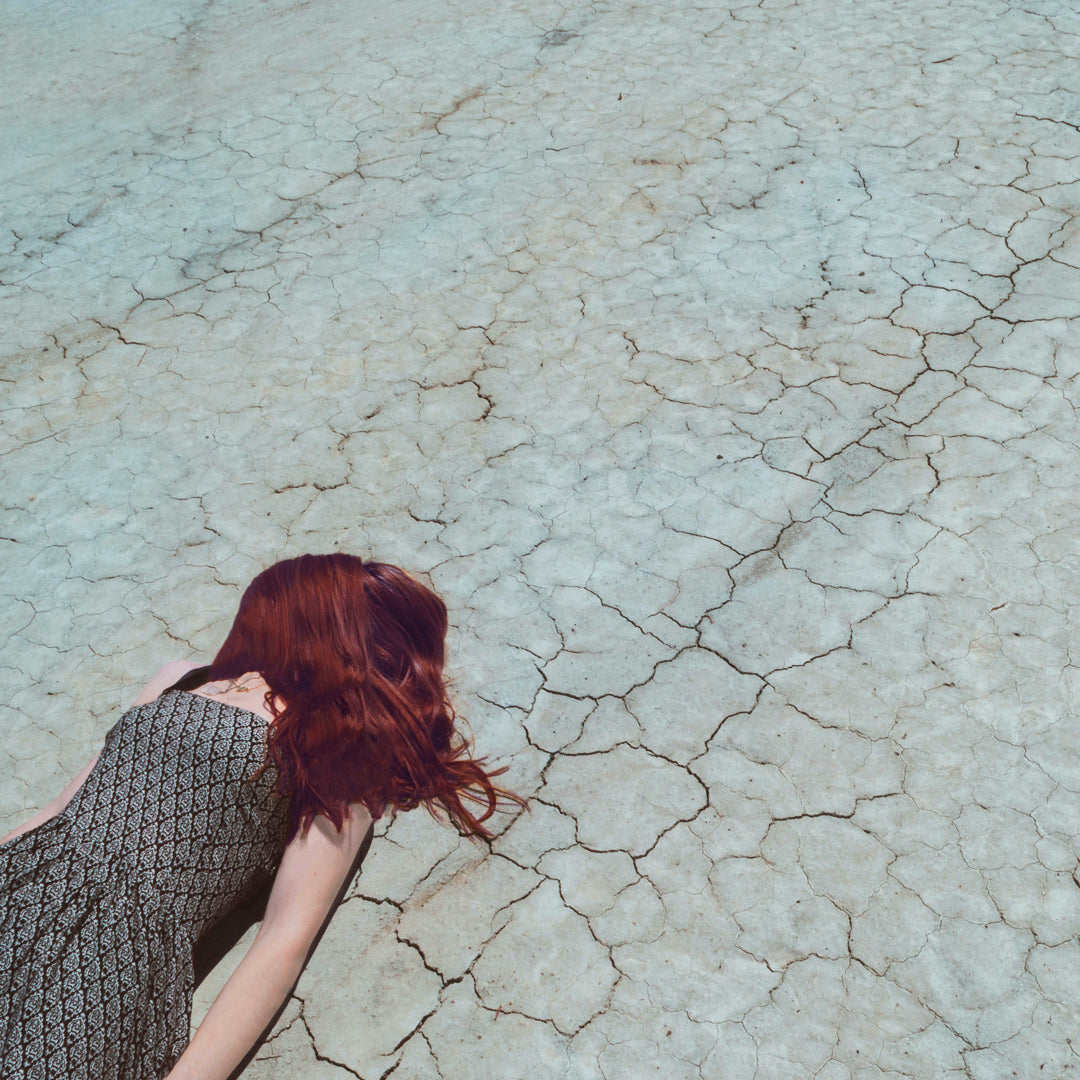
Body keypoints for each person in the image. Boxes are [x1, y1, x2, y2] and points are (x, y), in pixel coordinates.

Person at [0, 553, 523, 1079]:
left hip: (107, 953)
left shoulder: (341, 743)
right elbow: (58, 809)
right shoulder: (184, 676)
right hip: (20, 885)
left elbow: (282, 939)